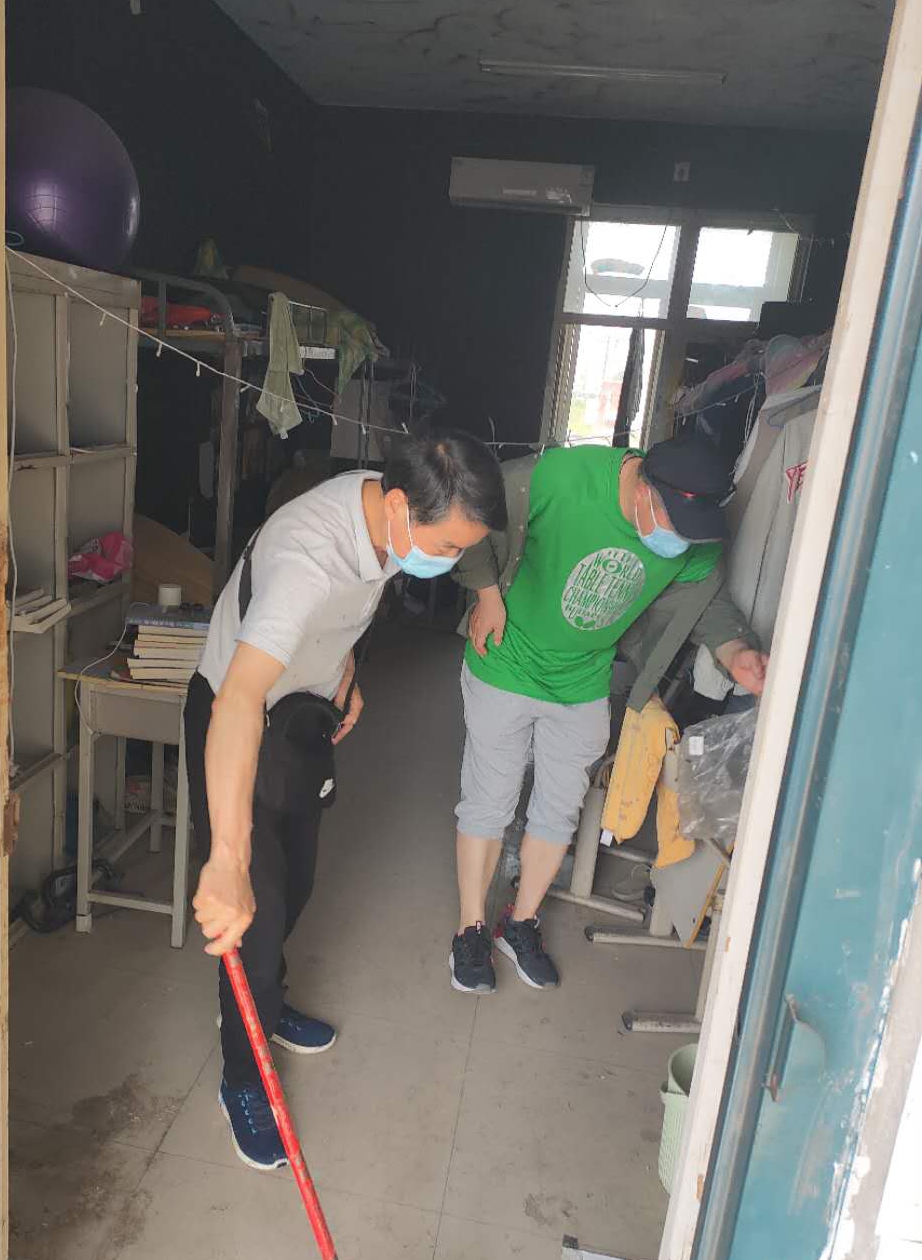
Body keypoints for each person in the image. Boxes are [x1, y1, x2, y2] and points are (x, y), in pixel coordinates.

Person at [186, 426, 506, 1169]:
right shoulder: (308, 559)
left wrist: (346, 671)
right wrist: (225, 860)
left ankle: (267, 1004)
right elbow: (237, 699)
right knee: (255, 911)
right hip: (240, 717)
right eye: (448, 547)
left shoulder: (386, 509)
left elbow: (355, 605)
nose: (450, 563)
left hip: (305, 708)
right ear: (398, 508)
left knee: (295, 884)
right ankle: (243, 1077)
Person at [449, 436, 767, 994]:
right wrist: (487, 592)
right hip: (506, 660)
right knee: (490, 801)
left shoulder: (694, 536)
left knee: (559, 810)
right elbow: (474, 504)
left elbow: (707, 603)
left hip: (584, 680)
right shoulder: (559, 478)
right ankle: (470, 931)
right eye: (672, 523)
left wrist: (736, 651)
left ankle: (519, 923)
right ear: (643, 489)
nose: (679, 540)